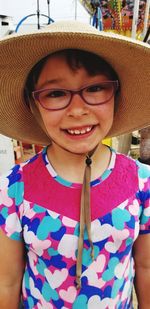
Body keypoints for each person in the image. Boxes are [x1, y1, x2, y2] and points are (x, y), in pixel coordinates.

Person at [0, 20, 150, 309]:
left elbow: (145, 268)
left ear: (116, 96)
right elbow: (6, 282)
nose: (78, 110)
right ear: (34, 104)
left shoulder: (142, 183)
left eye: (95, 88)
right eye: (56, 94)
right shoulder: (14, 187)